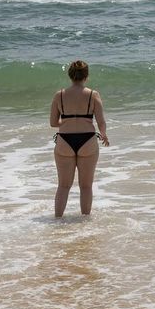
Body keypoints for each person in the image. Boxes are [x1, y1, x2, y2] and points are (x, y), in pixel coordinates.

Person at [50, 59, 109, 217]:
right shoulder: (92, 95)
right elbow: (101, 121)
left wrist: (68, 120)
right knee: (86, 186)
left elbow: (53, 122)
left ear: (70, 75)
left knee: (63, 186)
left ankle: (57, 220)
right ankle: (85, 222)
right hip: (87, 140)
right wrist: (103, 134)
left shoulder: (59, 95)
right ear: (86, 76)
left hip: (64, 141)